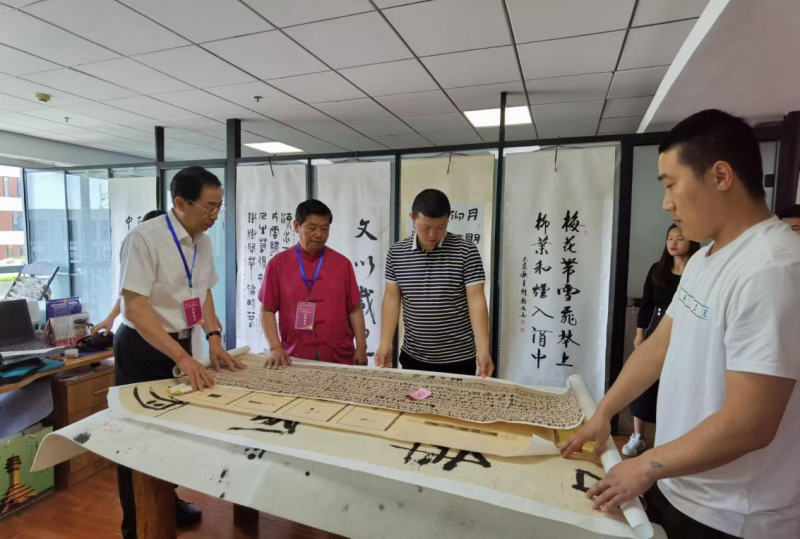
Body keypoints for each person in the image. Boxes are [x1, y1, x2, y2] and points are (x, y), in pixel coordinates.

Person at [562, 109, 800, 539]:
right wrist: (604, 412)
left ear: (721, 176)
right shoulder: (705, 260)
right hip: (676, 483)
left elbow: (752, 423)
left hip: (732, 516)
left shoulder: (772, 269)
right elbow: (657, 346)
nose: (667, 202)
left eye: (671, 184)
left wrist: (647, 463)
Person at [114, 167, 244, 538]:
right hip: (143, 346)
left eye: (220, 206)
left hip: (180, 342)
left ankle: (166, 502)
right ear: (181, 203)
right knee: (137, 436)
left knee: (171, 429)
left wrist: (214, 337)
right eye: (210, 207)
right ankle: (135, 526)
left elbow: (202, 292)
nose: (216, 215)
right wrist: (182, 357)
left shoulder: (201, 240)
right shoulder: (144, 239)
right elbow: (135, 307)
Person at [374, 189, 493, 377]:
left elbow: (476, 300)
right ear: (412, 218)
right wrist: (385, 342)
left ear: (448, 219)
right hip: (414, 355)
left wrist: (483, 348)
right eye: (425, 226)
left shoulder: (466, 251)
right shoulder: (397, 253)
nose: (432, 234)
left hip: (459, 357)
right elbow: (391, 299)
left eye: (440, 227)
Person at [260, 199, 368, 368]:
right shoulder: (278, 264)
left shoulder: (342, 264)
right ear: (297, 226)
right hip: (295, 356)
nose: (319, 234)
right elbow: (267, 310)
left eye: (324, 228)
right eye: (311, 228)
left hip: (339, 356)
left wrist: (361, 347)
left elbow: (354, 309)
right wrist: (275, 347)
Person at [622, 225, 700, 457]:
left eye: (680, 238)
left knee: (677, 385)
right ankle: (638, 436)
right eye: (670, 238)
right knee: (645, 383)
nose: (673, 242)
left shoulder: (699, 270)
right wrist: (640, 333)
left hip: (687, 334)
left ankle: (671, 438)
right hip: (657, 331)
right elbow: (646, 304)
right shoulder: (658, 270)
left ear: (693, 241)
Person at [92, 210, 166, 337]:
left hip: (162, 332)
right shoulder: (136, 246)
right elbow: (128, 295)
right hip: (140, 333)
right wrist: (110, 318)